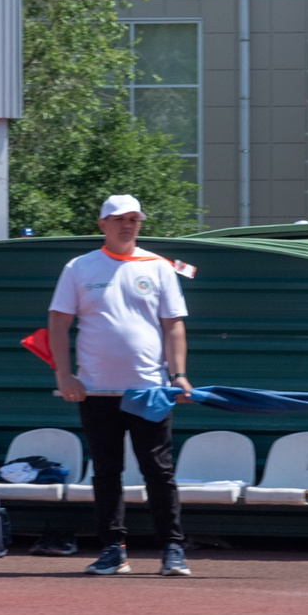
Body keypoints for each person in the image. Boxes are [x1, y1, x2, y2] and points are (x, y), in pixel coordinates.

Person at [47, 195, 192, 578]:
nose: (127, 225)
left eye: (134, 219)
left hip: (149, 389)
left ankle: (172, 550)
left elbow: (173, 325)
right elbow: (58, 324)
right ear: (102, 225)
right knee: (107, 471)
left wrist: (177, 375)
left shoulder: (159, 267)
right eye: (118, 219)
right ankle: (113, 550)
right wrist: (64, 376)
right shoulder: (78, 268)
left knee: (158, 471)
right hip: (95, 390)